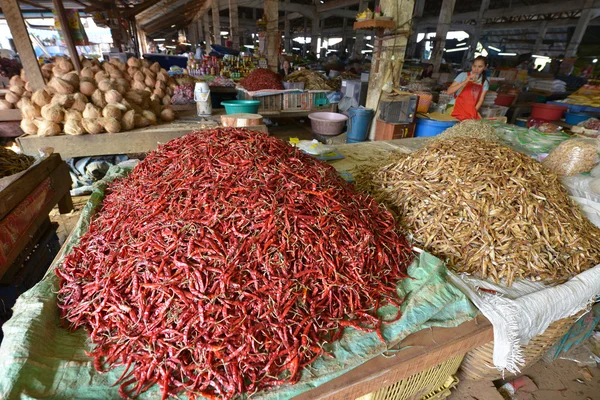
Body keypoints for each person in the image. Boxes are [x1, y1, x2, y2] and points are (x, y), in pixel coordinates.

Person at [446, 56, 489, 121]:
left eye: (480, 67)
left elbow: (481, 100)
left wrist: (473, 111)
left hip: (470, 110)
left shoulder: (484, 82)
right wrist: (465, 81)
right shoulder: (463, 75)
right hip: (455, 107)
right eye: (474, 66)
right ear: (472, 65)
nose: (476, 69)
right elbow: (449, 91)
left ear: (485, 67)